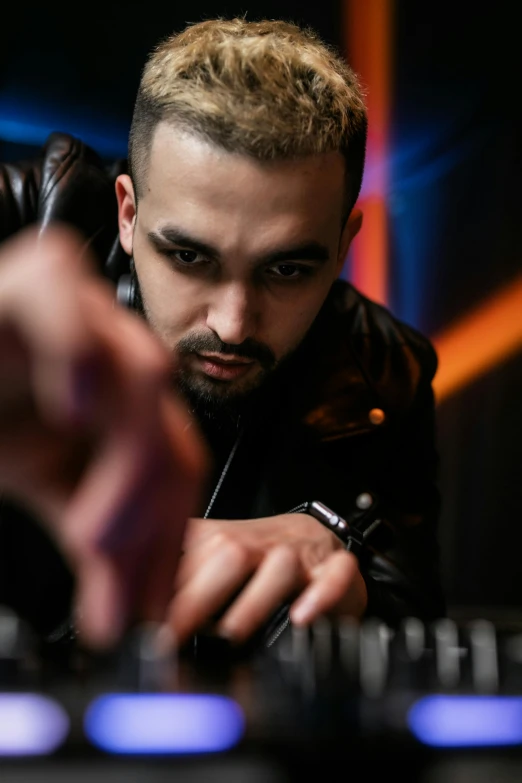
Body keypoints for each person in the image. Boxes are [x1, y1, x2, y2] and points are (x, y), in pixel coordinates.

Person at [0, 18, 445, 653]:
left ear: (344, 245)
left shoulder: (386, 370)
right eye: (188, 257)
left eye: (287, 269)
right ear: (128, 213)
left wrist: (338, 547)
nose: (232, 325)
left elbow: (417, 611)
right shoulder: (23, 223)